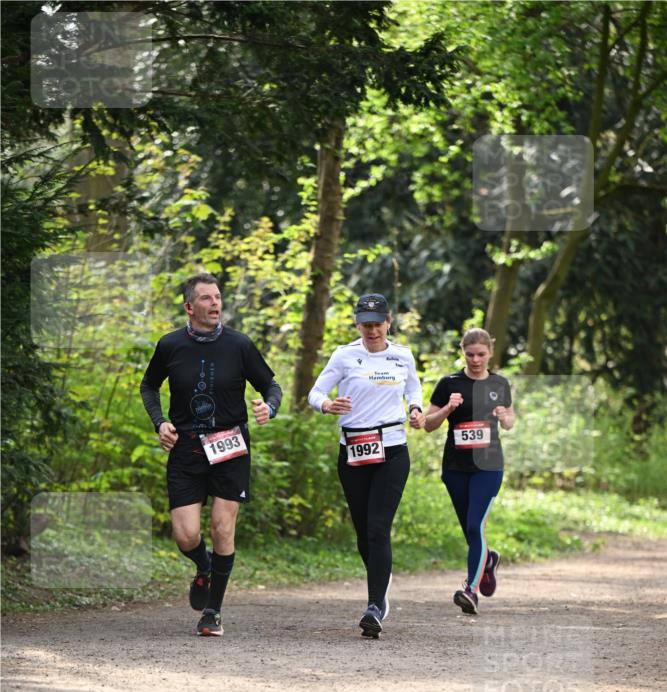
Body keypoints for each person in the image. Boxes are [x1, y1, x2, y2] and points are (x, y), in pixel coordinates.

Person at [140, 272, 282, 637]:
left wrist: (269, 406)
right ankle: (204, 567)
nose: (215, 303)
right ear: (189, 307)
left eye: (217, 296)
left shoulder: (239, 345)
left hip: (229, 444)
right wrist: (159, 423)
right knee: (185, 535)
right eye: (206, 298)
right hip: (186, 446)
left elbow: (271, 384)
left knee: (222, 526)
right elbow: (149, 386)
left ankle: (212, 611)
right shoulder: (170, 345)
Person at [308, 293, 425, 638]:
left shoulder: (402, 356)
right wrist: (328, 405)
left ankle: (375, 605)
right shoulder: (344, 356)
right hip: (354, 452)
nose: (372, 331)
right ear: (357, 324)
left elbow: (414, 391)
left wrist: (416, 410)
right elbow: (315, 392)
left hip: (391, 450)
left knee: (377, 527)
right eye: (366, 325)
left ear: (388, 322)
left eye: (378, 324)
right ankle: (381, 581)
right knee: (363, 533)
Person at [424, 327, 514, 615]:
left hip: (488, 466)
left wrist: (505, 417)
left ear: (490, 353)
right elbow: (428, 423)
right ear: (462, 352)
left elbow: (510, 420)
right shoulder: (448, 383)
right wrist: (448, 409)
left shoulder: (500, 383)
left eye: (481, 355)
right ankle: (487, 561)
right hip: (455, 467)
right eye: (470, 354)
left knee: (476, 526)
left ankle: (470, 590)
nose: (475, 360)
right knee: (469, 529)